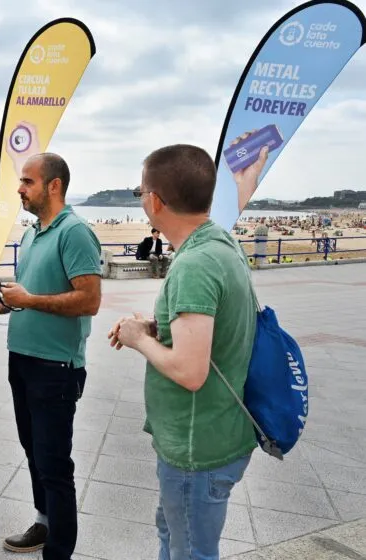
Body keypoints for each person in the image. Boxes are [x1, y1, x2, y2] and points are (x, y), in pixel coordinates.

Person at [108, 144, 259, 560]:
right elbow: (211, 331)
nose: (141, 200)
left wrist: (140, 340)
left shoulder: (194, 264)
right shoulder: (220, 244)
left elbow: (191, 371)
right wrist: (154, 329)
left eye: (140, 192)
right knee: (175, 535)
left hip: (198, 448)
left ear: (155, 200)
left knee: (190, 549)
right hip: (214, 435)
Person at [0, 153, 102, 560]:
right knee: (33, 452)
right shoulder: (33, 234)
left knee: (54, 463)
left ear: (54, 186)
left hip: (56, 366)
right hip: (23, 359)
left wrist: (28, 298)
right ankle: (43, 524)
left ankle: (59, 551)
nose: (19, 189)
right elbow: (34, 293)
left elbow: (89, 299)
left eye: (27, 181)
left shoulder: (75, 232)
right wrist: (7, 304)